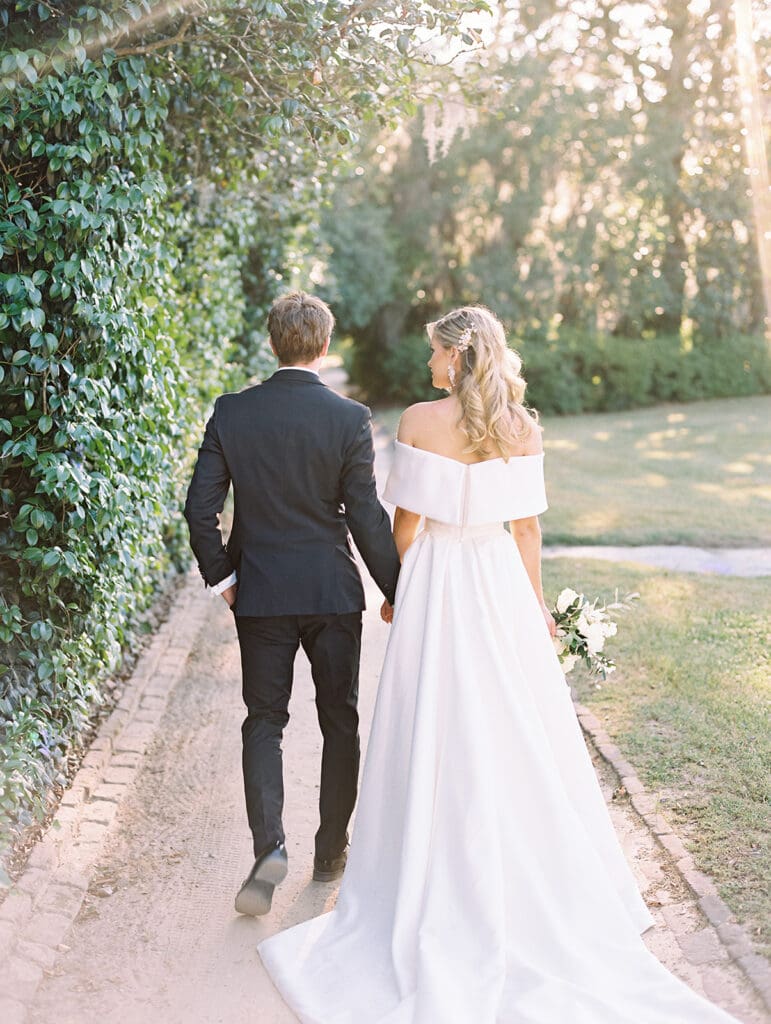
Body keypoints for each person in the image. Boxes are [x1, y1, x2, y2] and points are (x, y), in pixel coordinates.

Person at [257, 305, 742, 1023]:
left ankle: (426, 860)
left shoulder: (420, 421)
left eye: (433, 355)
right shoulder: (522, 427)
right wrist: (536, 606)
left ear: (454, 358)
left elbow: (407, 524)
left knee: (433, 714)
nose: (427, 366)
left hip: (438, 582)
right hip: (498, 587)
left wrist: (397, 591)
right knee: (514, 721)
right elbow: (527, 529)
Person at [184, 291, 400, 916]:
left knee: (264, 721)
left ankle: (268, 847)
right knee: (339, 720)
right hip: (333, 591)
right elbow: (365, 514)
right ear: (324, 346)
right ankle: (331, 851)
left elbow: (200, 510)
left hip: (263, 594)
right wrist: (399, 591)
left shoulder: (232, 412)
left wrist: (225, 580)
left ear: (271, 343)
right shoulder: (348, 418)